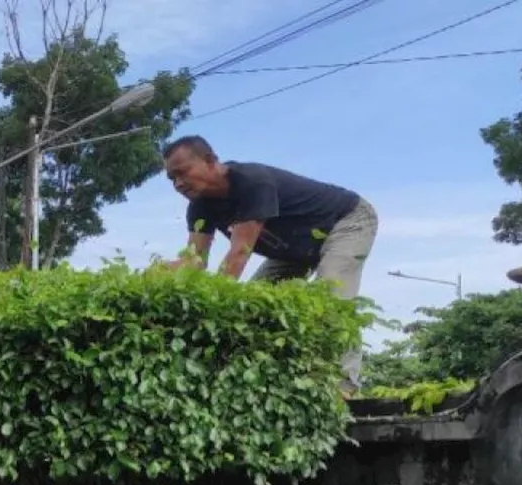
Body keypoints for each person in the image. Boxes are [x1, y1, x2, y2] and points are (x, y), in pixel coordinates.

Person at [162, 135, 378, 392]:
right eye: (171, 179)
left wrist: (210, 311)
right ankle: (275, 380)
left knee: (331, 296)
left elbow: (238, 255)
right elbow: (194, 261)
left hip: (344, 222)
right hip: (293, 249)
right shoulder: (199, 208)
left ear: (210, 161)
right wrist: (161, 274)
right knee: (255, 304)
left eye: (182, 173)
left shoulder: (251, 183)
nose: (178, 183)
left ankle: (344, 384)